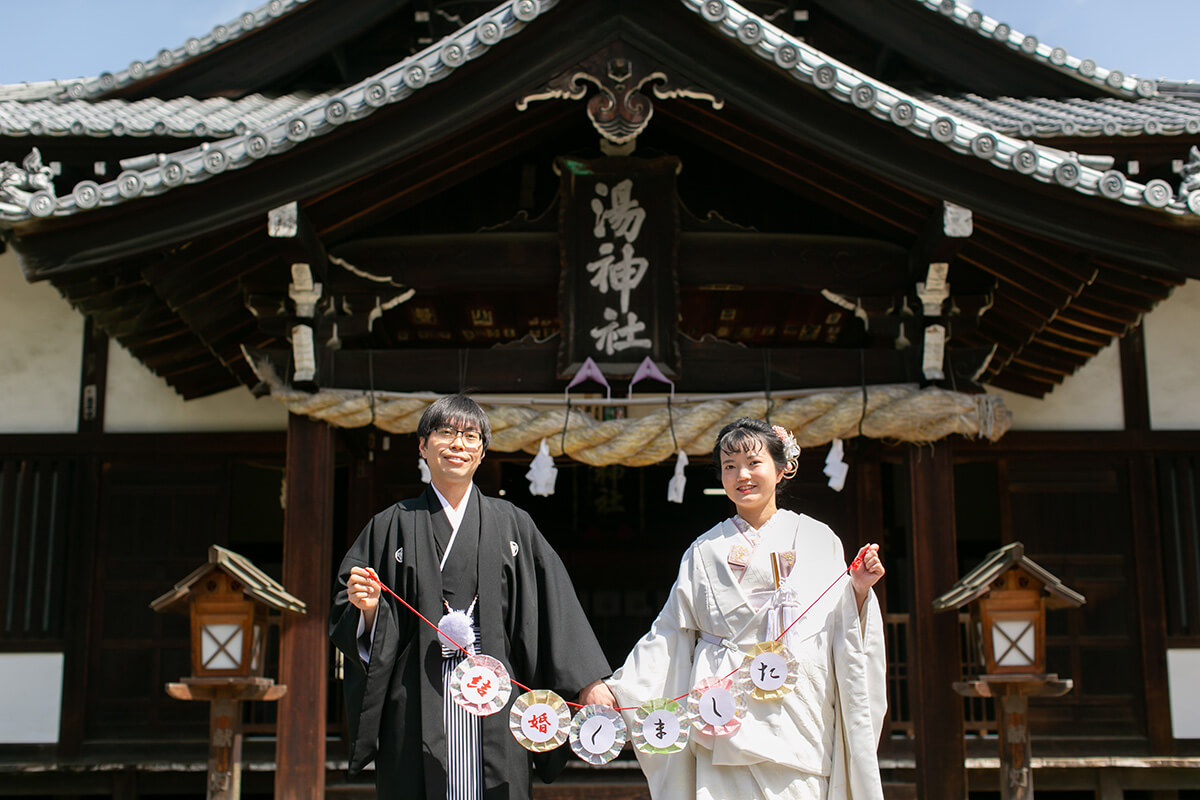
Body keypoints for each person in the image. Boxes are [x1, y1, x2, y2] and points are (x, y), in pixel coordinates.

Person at [329, 394, 612, 800]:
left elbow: (555, 608)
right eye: (444, 433)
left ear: (482, 452)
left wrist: (588, 684)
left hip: (498, 696)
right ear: (423, 447)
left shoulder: (513, 523)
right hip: (419, 694)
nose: (457, 444)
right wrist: (369, 610)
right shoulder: (389, 525)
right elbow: (348, 607)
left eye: (470, 435)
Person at [603, 418, 887, 800]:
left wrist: (858, 591)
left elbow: (838, 629)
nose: (742, 475)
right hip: (721, 714)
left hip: (796, 719)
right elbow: (669, 633)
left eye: (754, 463)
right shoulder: (704, 550)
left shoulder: (819, 540)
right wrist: (618, 691)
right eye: (729, 466)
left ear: (782, 466)